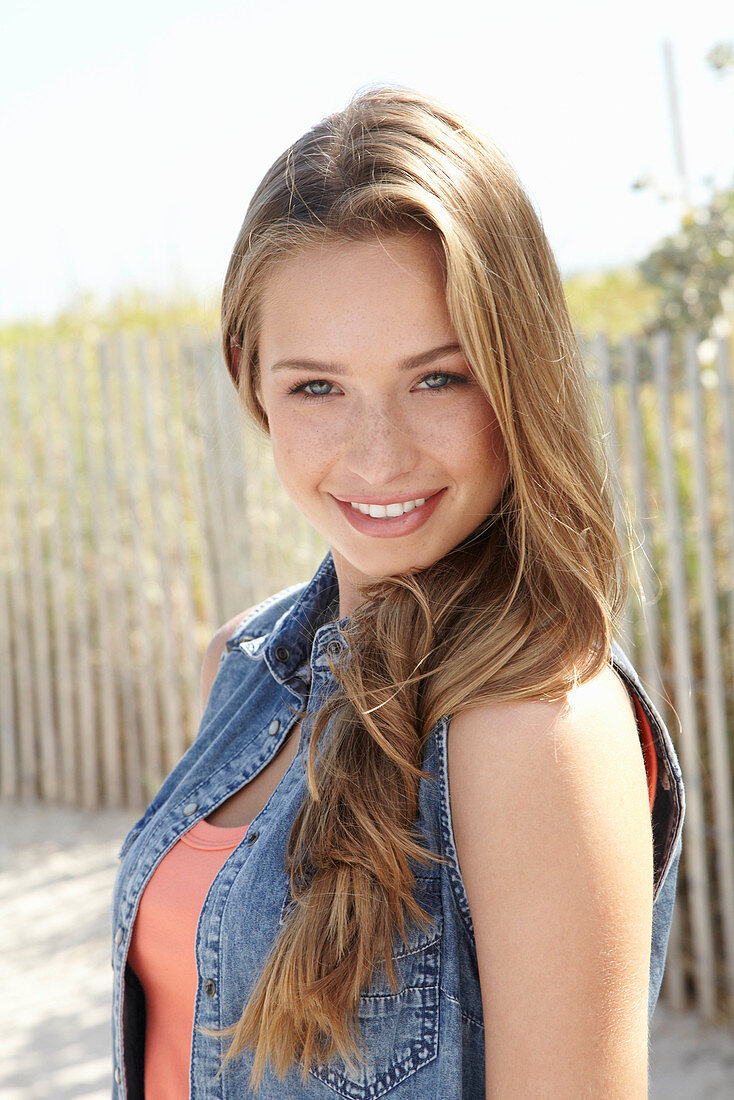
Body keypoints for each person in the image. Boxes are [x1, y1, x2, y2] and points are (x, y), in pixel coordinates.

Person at [111, 85, 685, 1098]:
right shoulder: (244, 663)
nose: (377, 457)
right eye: (317, 386)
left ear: (518, 375)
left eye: (437, 378)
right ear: (251, 381)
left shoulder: (535, 724)